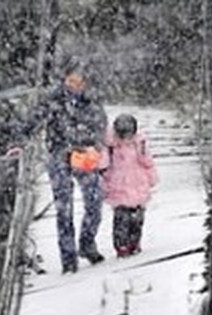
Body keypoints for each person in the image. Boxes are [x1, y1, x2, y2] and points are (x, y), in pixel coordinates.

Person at [9, 59, 108, 273]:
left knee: (94, 200)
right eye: (70, 81)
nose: (74, 85)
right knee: (64, 208)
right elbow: (32, 121)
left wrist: (95, 144)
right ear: (64, 80)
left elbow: (101, 124)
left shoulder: (92, 101)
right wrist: (18, 142)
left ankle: (87, 243)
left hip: (84, 154)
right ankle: (68, 258)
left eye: (78, 82)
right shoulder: (52, 99)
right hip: (59, 153)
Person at [101, 113, 159, 257]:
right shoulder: (111, 146)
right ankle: (121, 246)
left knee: (137, 220)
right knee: (121, 219)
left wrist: (152, 178)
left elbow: (147, 162)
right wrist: (103, 183)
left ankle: (134, 243)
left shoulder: (139, 143)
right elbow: (104, 166)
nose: (126, 136)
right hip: (118, 186)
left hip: (138, 184)